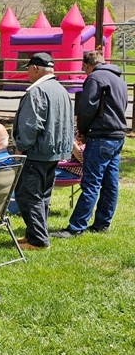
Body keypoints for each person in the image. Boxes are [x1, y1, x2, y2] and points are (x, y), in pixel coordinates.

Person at [52, 50, 127, 238]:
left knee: (91, 183)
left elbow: (86, 109)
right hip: (117, 135)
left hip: (100, 136)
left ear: (86, 65)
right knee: (110, 183)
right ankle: (102, 223)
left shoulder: (95, 78)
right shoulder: (119, 79)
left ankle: (76, 227)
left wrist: (83, 131)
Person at [12, 52, 73, 250]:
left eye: (28, 69)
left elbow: (31, 125)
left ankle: (38, 240)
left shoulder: (37, 91)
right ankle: (34, 234)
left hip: (36, 152)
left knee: (28, 195)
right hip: (54, 151)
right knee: (43, 195)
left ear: (36, 68)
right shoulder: (61, 89)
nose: (27, 74)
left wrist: (21, 146)